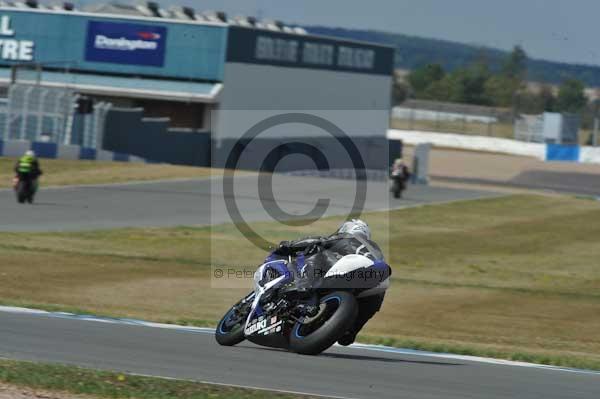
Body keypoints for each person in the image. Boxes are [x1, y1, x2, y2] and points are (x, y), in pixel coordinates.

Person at [273, 219, 389, 346]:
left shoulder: (346, 237)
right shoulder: (375, 249)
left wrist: (290, 245)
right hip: (379, 275)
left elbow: (318, 241)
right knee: (378, 293)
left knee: (316, 249)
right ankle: (352, 329)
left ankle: (303, 285)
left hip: (352, 271)